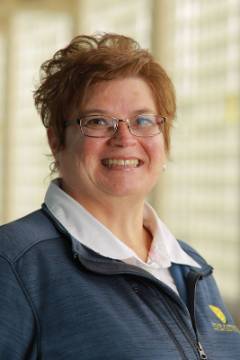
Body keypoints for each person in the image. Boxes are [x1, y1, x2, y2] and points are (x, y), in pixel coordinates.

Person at [0, 33, 239, 360]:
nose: (124, 138)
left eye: (142, 120)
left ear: (164, 139)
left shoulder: (191, 267)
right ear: (56, 140)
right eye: (98, 121)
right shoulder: (13, 264)